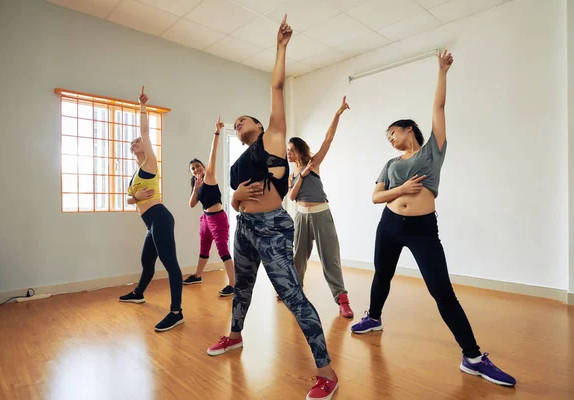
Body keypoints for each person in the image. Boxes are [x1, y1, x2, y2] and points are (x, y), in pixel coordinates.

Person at [350, 51, 516, 387]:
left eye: (393, 133)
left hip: (423, 230)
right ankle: (374, 318)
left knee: (441, 291)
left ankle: (472, 356)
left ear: (408, 128)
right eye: (388, 139)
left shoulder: (432, 151)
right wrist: (403, 189)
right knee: (382, 274)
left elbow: (438, 109)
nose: (391, 140)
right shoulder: (390, 163)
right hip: (390, 225)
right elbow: (375, 197)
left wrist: (442, 72)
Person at [206, 15, 339, 400]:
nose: (238, 122)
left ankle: (327, 372)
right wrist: (232, 200)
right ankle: (234, 337)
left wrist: (280, 48)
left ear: (261, 125)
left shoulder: (273, 140)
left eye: (243, 118)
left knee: (293, 296)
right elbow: (224, 190)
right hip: (244, 227)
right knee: (241, 289)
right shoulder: (240, 160)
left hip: (273, 226)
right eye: (235, 122)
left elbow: (277, 85)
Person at [119, 86, 184, 332]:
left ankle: (176, 312)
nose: (136, 143)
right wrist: (134, 197)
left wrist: (143, 106)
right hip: (150, 223)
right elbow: (128, 200)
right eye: (132, 143)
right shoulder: (135, 174)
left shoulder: (150, 162)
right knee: (147, 261)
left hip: (160, 218)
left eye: (138, 142)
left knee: (170, 264)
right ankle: (138, 293)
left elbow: (145, 130)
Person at [287, 96, 353, 318]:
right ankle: (296, 293)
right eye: (287, 150)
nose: (288, 153)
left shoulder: (313, 163)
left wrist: (337, 114)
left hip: (321, 214)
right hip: (301, 216)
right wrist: (301, 176)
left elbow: (328, 139)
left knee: (330, 258)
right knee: (298, 257)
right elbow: (293, 195)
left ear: (300, 150)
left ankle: (342, 299)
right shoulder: (292, 173)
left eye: (292, 149)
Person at [183, 118, 235, 296]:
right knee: (203, 249)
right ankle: (197, 275)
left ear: (204, 167)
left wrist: (217, 132)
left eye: (197, 166)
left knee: (223, 250)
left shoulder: (210, 177)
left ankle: (233, 284)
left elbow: (213, 153)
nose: (195, 169)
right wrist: (195, 188)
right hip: (205, 219)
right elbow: (191, 204)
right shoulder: (197, 184)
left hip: (217, 218)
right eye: (192, 168)